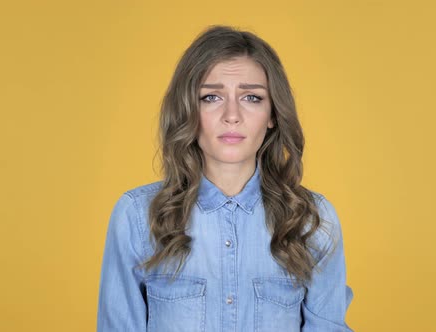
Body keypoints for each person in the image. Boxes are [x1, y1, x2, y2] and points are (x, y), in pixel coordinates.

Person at [97, 24, 354, 332]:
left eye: (252, 98)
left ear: (273, 114)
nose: (232, 115)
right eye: (211, 97)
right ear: (188, 109)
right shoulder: (137, 217)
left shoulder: (313, 220)